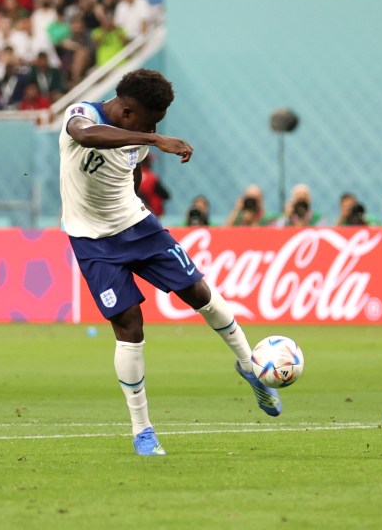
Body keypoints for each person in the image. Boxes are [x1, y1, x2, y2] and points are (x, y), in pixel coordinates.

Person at [59, 69, 283, 457]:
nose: (155, 127)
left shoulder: (138, 134)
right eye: (149, 121)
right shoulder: (85, 114)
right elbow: (83, 134)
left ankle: (249, 365)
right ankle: (142, 430)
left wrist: (143, 169)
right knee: (129, 325)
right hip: (92, 240)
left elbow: (132, 168)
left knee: (198, 291)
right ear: (128, 113)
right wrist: (154, 138)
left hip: (137, 225)